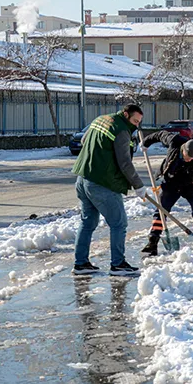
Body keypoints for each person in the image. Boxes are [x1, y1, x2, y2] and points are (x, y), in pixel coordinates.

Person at [71, 104, 147, 276]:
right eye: (135, 121)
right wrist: (138, 185)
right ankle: (118, 265)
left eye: (139, 122)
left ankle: (80, 264)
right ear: (126, 115)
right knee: (119, 223)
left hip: (83, 179)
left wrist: (100, 154)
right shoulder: (121, 130)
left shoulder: (101, 119)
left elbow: (84, 141)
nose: (136, 125)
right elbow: (125, 163)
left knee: (87, 222)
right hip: (102, 183)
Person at [139, 131, 193, 256]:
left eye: (192, 158)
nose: (189, 160)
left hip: (191, 186)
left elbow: (187, 180)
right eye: (188, 156)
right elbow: (160, 135)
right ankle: (153, 241)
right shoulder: (175, 141)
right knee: (161, 210)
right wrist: (146, 142)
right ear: (183, 149)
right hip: (171, 183)